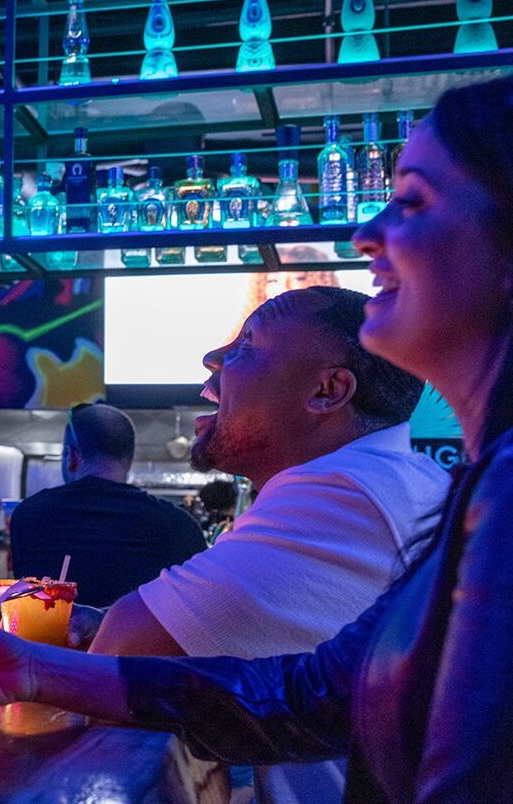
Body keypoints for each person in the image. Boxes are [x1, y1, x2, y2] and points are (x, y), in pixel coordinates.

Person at [0, 76, 513, 804]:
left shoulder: (385, 487)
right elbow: (313, 694)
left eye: (415, 201)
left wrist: (35, 662)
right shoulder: (473, 477)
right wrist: (25, 664)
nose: (367, 234)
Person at [75, 286, 444, 804]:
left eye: (247, 343)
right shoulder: (391, 477)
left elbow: (123, 651)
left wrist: (27, 659)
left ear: (327, 390)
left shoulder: (344, 491)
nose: (214, 357)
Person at [8, 403, 206, 608]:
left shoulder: (29, 514)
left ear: (72, 457)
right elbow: (198, 604)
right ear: (129, 460)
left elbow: (23, 598)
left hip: (45, 629)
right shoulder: (179, 525)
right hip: (136, 630)